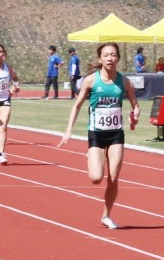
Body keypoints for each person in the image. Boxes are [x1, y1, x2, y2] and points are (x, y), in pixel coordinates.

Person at [59, 42, 140, 230]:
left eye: (113, 55)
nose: (110, 58)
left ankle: (106, 215)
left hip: (116, 135)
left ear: (118, 58)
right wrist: (69, 130)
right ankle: (92, 156)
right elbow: (77, 105)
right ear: (100, 58)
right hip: (96, 134)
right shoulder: (91, 80)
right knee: (96, 178)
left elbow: (135, 106)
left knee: (113, 177)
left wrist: (134, 117)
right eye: (106, 55)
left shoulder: (125, 82)